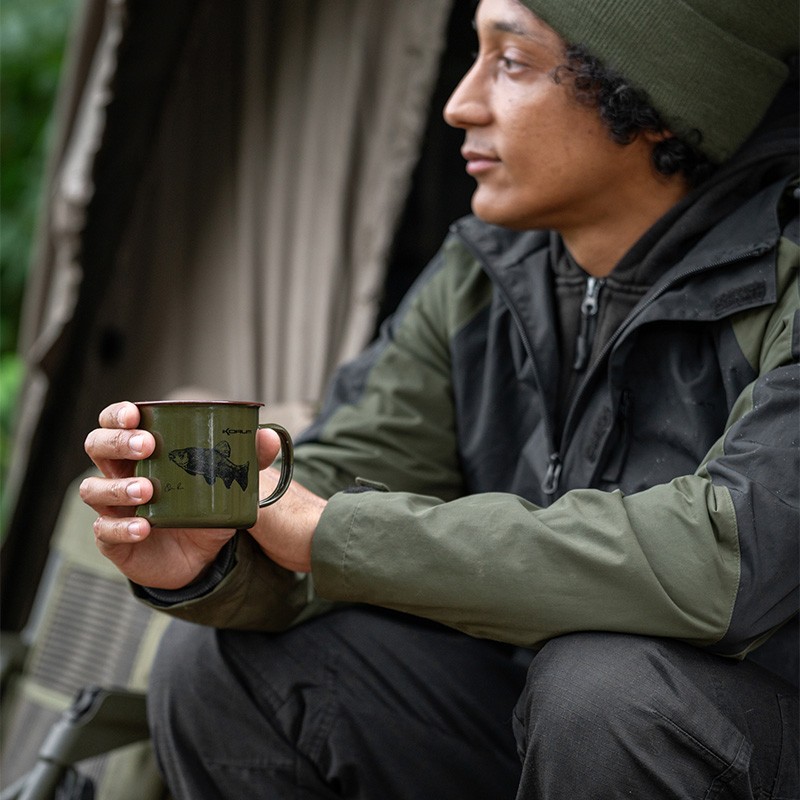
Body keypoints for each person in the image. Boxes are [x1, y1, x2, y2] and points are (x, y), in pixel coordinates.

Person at [80, 0, 799, 797]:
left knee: (606, 694)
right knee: (225, 666)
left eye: (511, 62)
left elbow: (731, 561)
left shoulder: (789, 277)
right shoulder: (487, 272)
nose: (459, 104)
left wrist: (327, 530)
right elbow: (356, 471)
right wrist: (222, 552)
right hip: (546, 723)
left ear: (656, 99)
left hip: (721, 735)